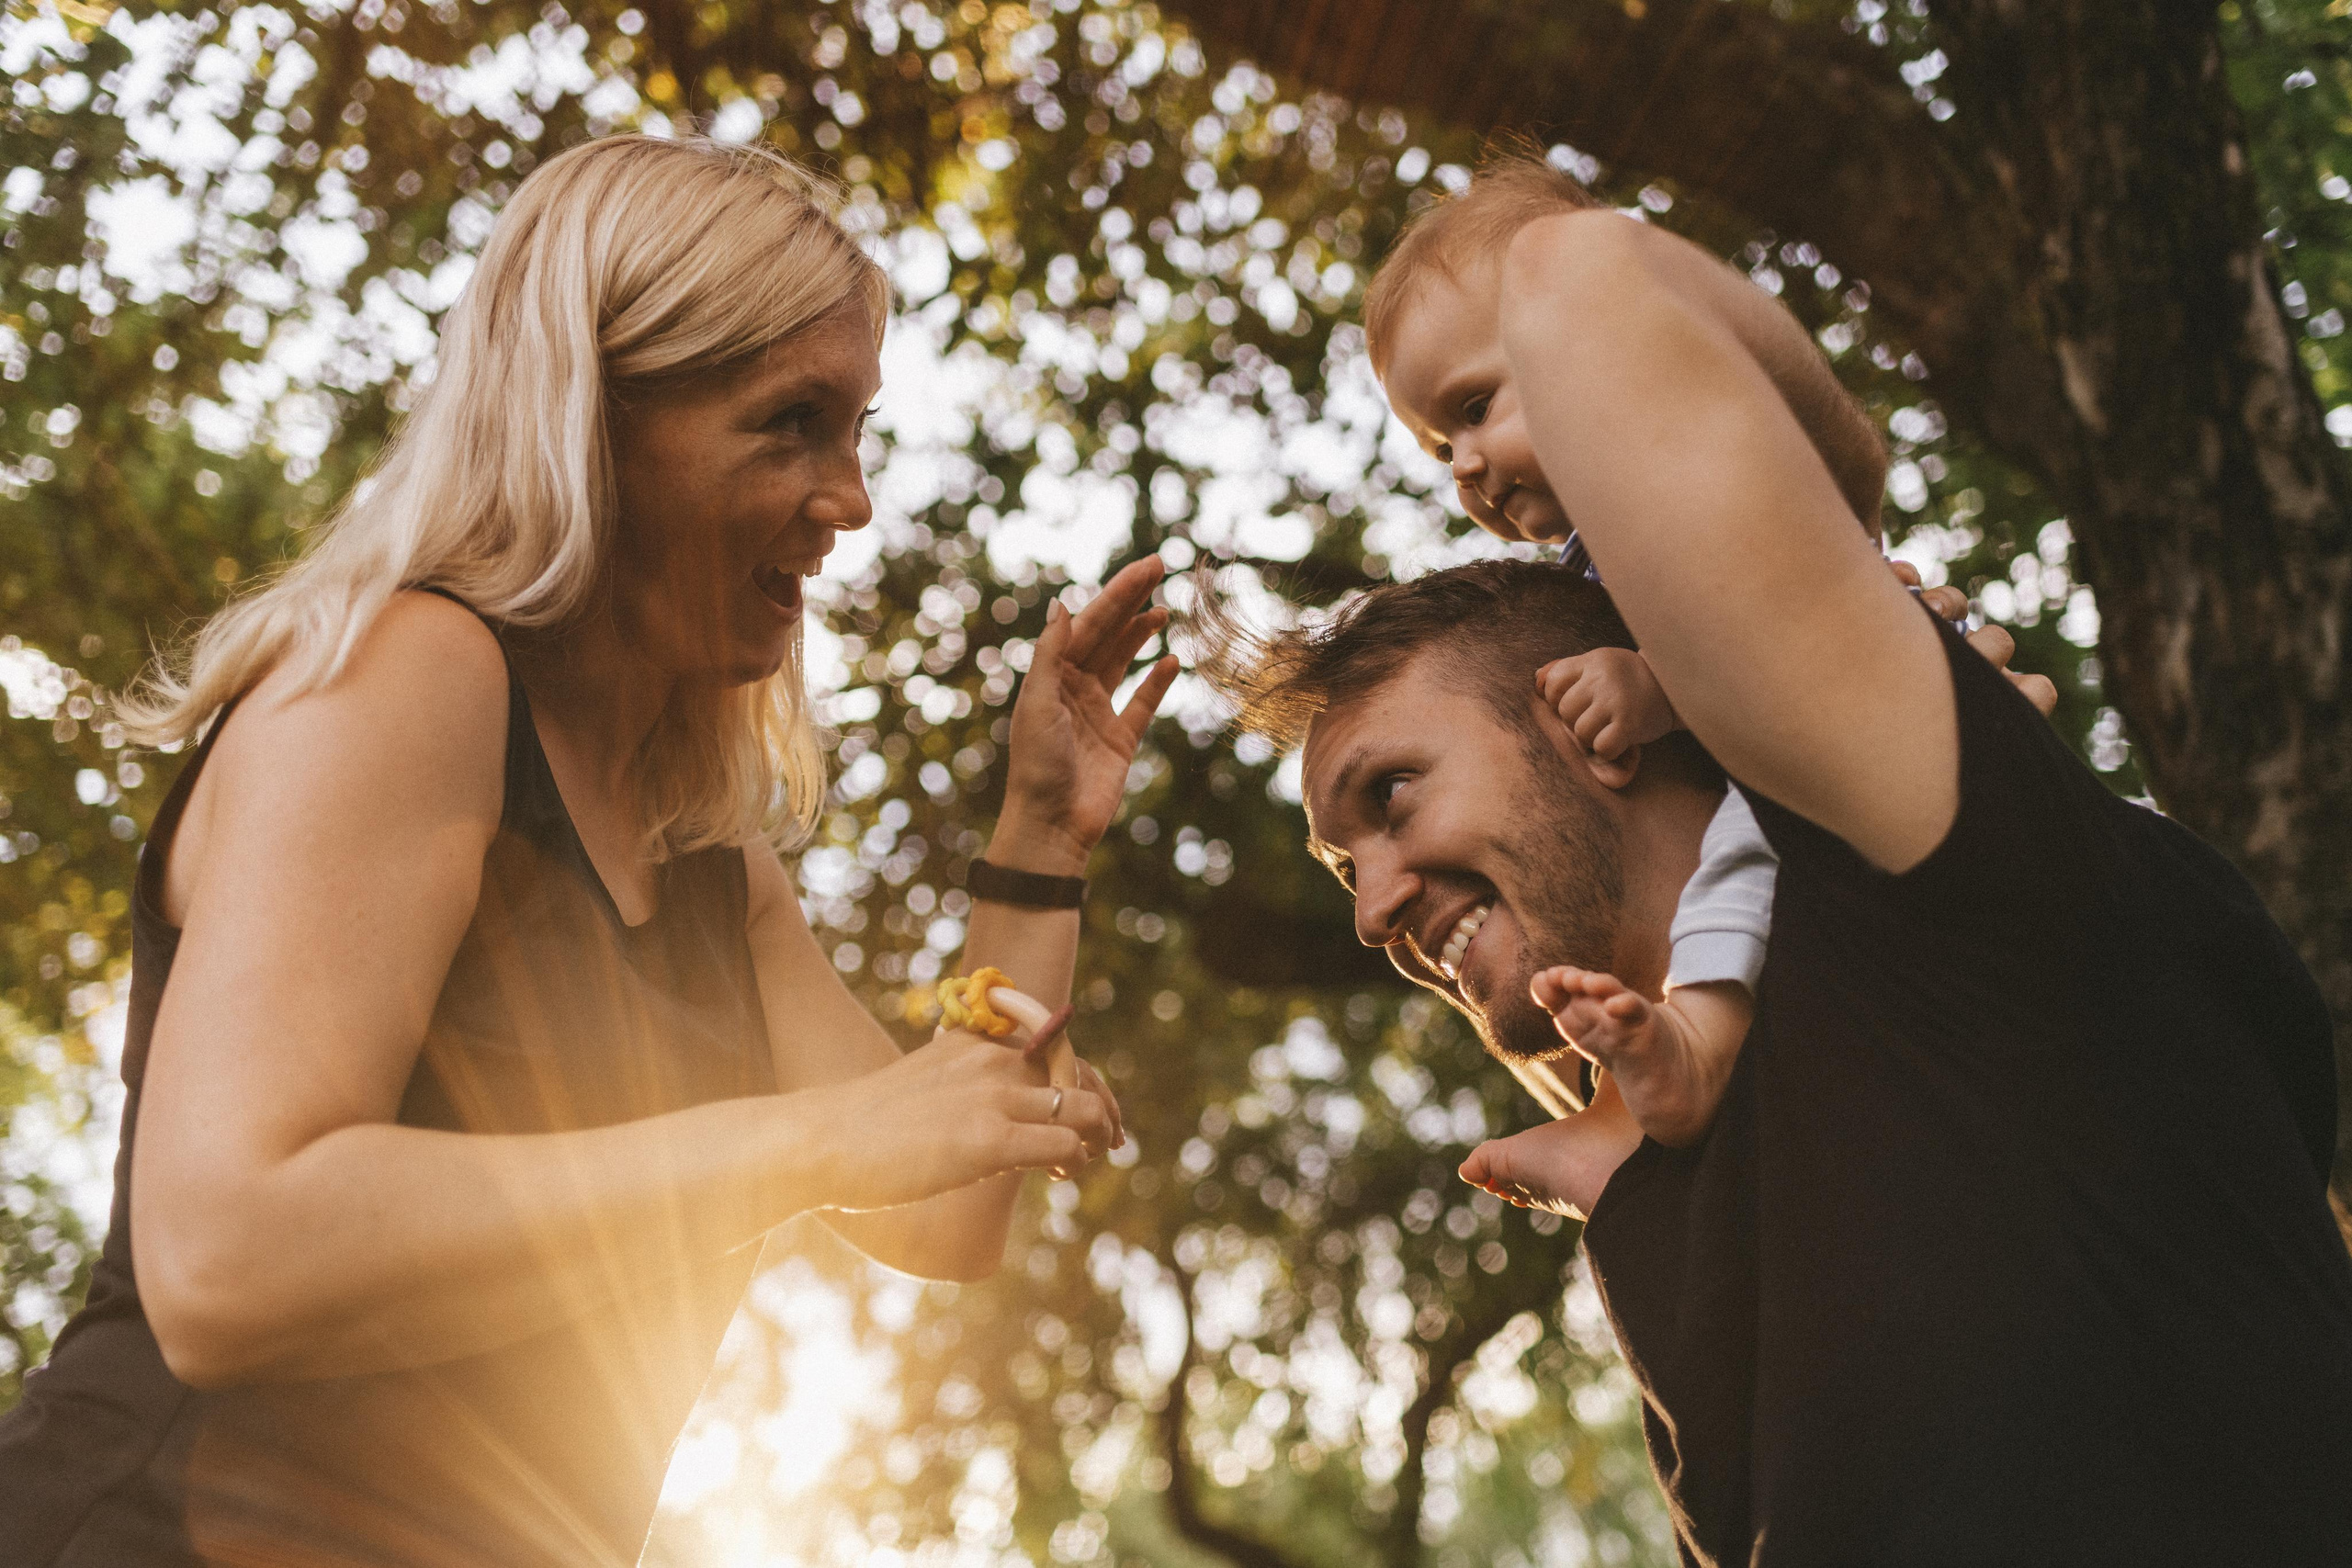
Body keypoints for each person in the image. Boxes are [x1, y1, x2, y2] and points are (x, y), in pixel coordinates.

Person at [0, 136, 1175, 1567]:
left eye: (856, 429)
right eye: (791, 422)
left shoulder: (709, 872)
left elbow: (949, 1205)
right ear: (596, 419)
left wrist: (1039, 838)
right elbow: (226, 1258)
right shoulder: (408, 677)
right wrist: (805, 1144)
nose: (852, 498)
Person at [1198, 154, 2352, 1564]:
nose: (1373, 905)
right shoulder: (1672, 1172)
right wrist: (1635, 1187)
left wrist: (1843, 530)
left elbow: (1581, 282)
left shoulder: (1911, 870)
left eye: (1391, 796)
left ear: (1592, 715)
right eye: (1342, 870)